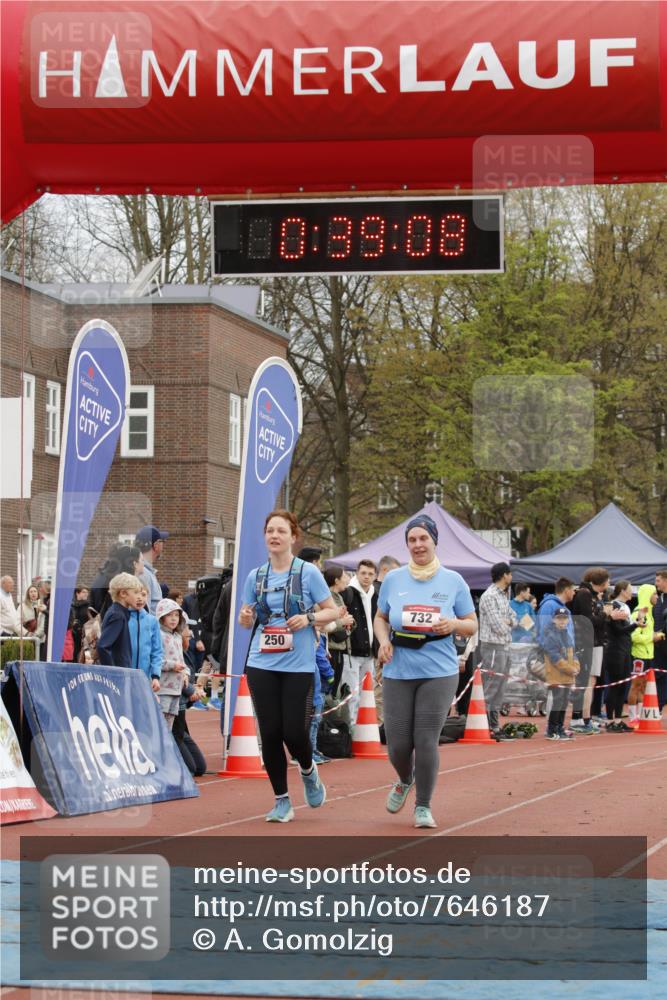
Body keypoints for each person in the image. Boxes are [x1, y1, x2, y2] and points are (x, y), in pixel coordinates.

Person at [238, 509, 343, 823]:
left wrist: (308, 618)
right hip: (262, 661)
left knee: (294, 731)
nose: (274, 536)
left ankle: (308, 771)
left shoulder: (307, 573)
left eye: (281, 531)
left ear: (293, 537)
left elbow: (332, 612)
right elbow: (247, 618)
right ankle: (281, 800)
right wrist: (246, 618)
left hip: (298, 664)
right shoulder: (255, 576)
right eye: (270, 530)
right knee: (270, 732)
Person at [374, 514, 477, 829]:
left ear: (434, 541)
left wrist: (454, 624)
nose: (418, 545)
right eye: (412, 540)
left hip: (439, 669)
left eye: (423, 539)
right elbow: (381, 618)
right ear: (407, 544)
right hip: (399, 668)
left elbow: (472, 623)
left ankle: (423, 806)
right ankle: (406, 778)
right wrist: (382, 642)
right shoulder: (393, 579)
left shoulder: (453, 580)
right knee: (398, 744)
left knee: (426, 739)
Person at [571, 567, 613, 733]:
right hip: (586, 643)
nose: (609, 583)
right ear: (601, 582)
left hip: (595, 643)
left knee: (591, 681)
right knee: (585, 681)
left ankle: (585, 718)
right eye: (608, 580)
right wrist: (605, 614)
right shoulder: (584, 594)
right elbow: (588, 620)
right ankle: (579, 719)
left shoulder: (593, 595)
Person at [478, 562, 516, 735]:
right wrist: (508, 623)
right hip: (492, 646)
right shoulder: (490, 596)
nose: (512, 577)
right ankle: (482, 725)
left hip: (505, 646)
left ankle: (494, 725)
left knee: (500, 687)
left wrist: (509, 622)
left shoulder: (503, 595)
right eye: (510, 573)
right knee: (491, 686)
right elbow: (497, 627)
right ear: (504, 575)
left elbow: (514, 617)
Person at [341, 559, 378, 726]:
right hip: (350, 653)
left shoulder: (376, 596)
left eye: (370, 574)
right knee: (351, 695)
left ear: (375, 576)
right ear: (356, 573)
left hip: (370, 653)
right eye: (363, 573)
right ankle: (350, 730)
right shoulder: (348, 593)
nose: (367, 577)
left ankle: (363, 732)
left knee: (367, 695)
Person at [602, 581, 642, 732]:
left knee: (622, 687)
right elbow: (617, 630)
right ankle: (610, 721)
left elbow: (624, 631)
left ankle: (618, 720)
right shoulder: (611, 605)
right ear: (622, 591)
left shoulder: (625, 607)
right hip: (614, 652)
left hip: (624, 650)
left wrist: (635, 625)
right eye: (630, 589)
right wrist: (636, 625)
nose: (632, 592)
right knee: (615, 686)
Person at [373, 556, 401, 731]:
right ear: (385, 571)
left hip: (388, 646)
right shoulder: (377, 592)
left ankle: (384, 725)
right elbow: (378, 620)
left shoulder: (391, 590)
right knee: (379, 688)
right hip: (380, 647)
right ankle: (379, 726)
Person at [543, 607, 580, 740]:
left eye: (564, 618)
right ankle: (552, 729)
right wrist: (571, 669)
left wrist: (576, 666)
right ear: (554, 619)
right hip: (555, 676)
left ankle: (559, 727)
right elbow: (555, 658)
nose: (562, 621)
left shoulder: (567, 634)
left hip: (567, 676)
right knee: (558, 702)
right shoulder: (551, 636)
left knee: (564, 702)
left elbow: (573, 654)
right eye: (559, 618)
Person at [155, 597, 189, 730]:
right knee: (160, 726)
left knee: (168, 728)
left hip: (176, 689)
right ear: (161, 616)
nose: (174, 619)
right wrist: (172, 665)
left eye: (176, 615)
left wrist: (185, 673)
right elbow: (155, 660)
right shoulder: (158, 635)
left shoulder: (178, 637)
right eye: (169, 615)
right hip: (162, 688)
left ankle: (165, 750)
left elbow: (182, 660)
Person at [97, 573, 142, 669]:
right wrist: (113, 672)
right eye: (136, 592)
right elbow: (103, 646)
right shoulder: (117, 615)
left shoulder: (119, 612)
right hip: (119, 675)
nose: (139, 597)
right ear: (123, 594)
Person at [628, 584, 659, 724]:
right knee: (635, 685)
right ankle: (632, 716)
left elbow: (645, 634)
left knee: (644, 686)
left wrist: (656, 635)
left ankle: (640, 715)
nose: (657, 597)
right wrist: (651, 638)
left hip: (648, 655)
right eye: (655, 594)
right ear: (648, 595)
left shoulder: (649, 613)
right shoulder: (638, 614)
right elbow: (634, 636)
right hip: (638, 655)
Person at [322, 565, 353, 694]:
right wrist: (343, 621)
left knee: (334, 689)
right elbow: (324, 623)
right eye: (344, 576)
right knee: (328, 688)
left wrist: (350, 621)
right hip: (331, 650)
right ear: (336, 580)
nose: (347, 579)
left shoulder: (339, 597)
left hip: (339, 648)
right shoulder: (327, 598)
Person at [90, 544, 144, 618]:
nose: (143, 563)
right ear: (134, 563)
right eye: (142, 560)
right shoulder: (118, 584)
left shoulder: (106, 576)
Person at [128, 583, 163, 688]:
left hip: (144, 678)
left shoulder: (152, 621)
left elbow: (157, 651)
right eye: (136, 594)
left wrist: (155, 676)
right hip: (124, 675)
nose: (140, 598)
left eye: (143, 595)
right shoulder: (122, 618)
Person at [135, 525, 169, 613]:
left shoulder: (146, 572)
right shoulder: (143, 574)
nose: (164, 544)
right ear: (156, 545)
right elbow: (144, 612)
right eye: (162, 541)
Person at [654, 571, 667, 712]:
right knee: (660, 676)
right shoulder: (658, 599)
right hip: (658, 645)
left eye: (658, 580)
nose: (656, 583)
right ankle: (657, 708)